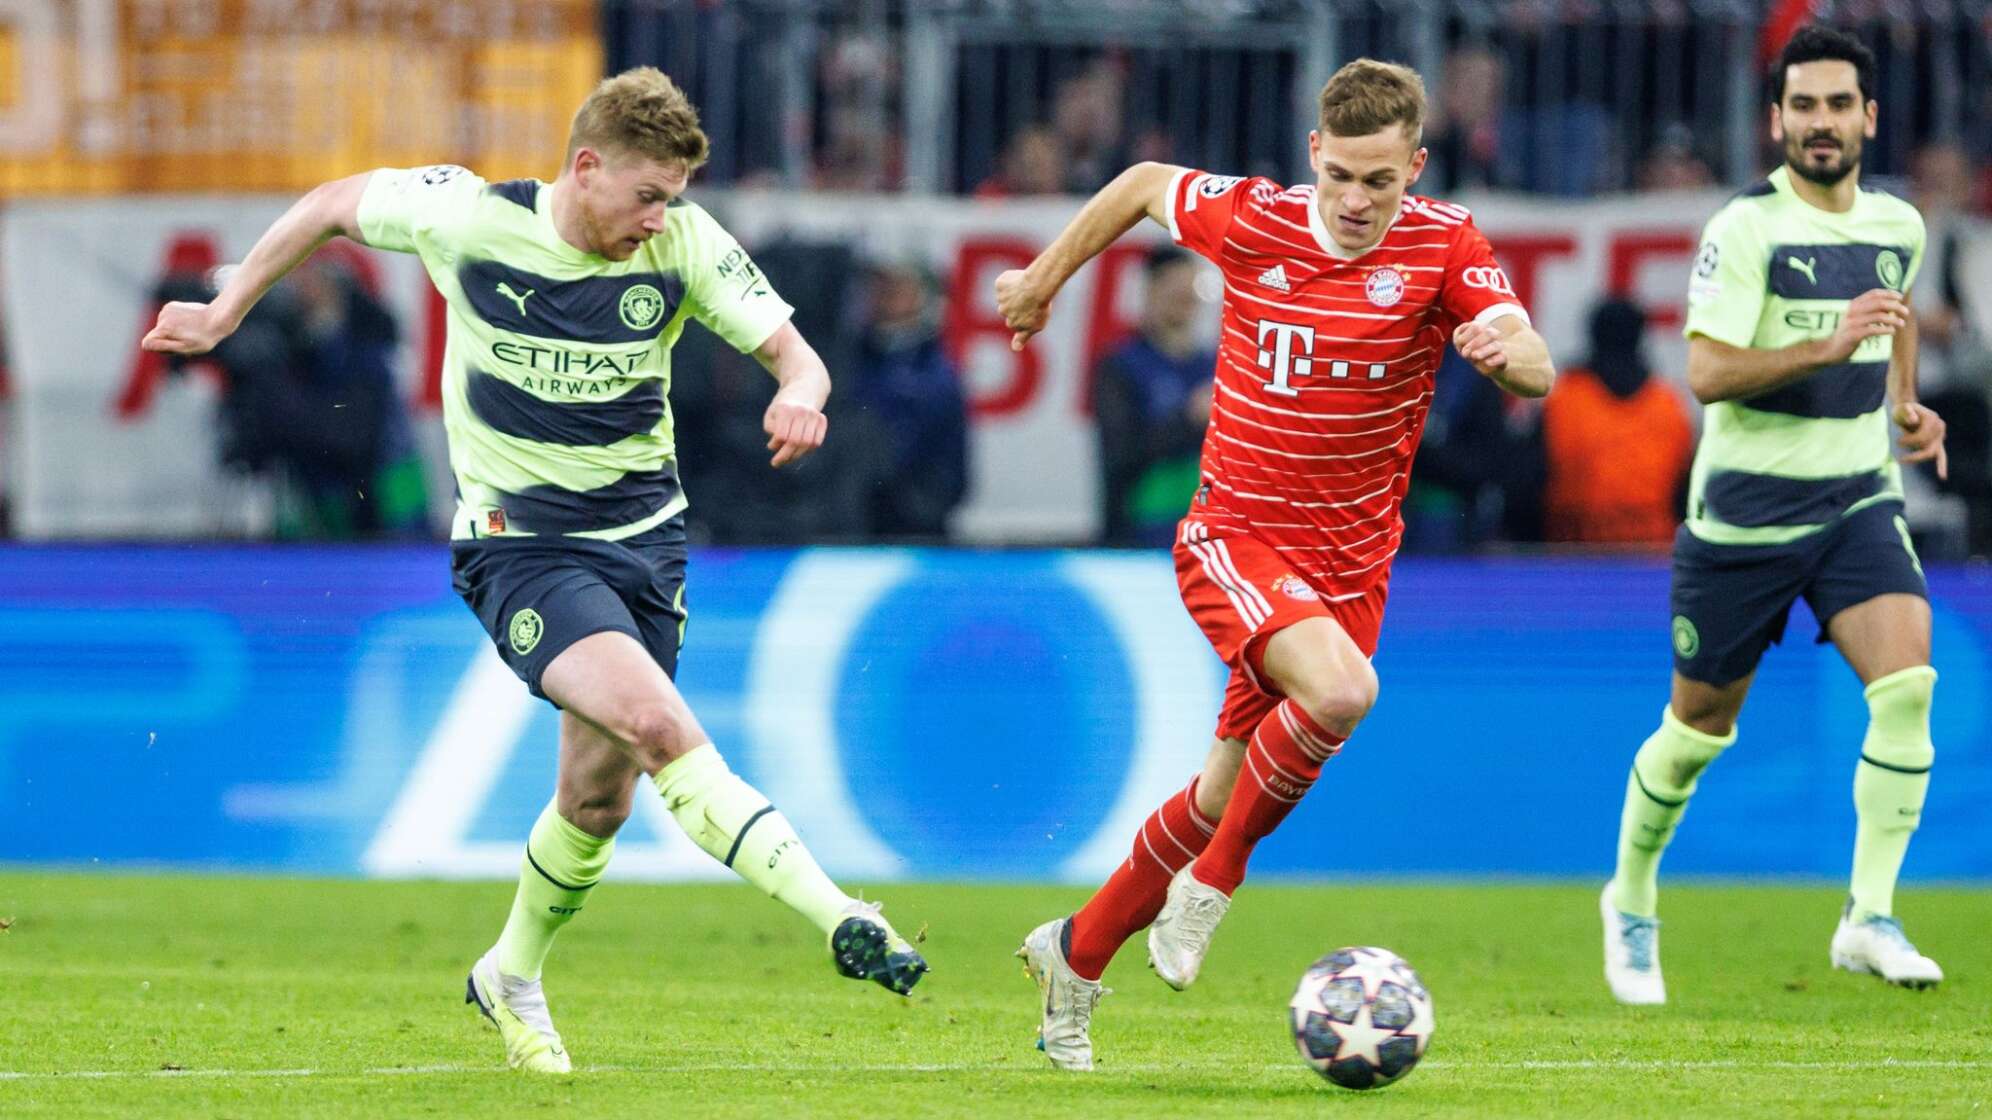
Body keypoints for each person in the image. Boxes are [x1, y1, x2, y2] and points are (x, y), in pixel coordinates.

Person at [141, 67, 928, 1074]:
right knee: (659, 729)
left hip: (646, 545)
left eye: (673, 199)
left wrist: (801, 394)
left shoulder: (685, 245)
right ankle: (841, 916)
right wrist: (227, 309)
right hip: (522, 546)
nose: (659, 219)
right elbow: (334, 203)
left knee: (597, 803)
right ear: (586, 167)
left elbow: (798, 356)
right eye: (647, 196)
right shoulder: (469, 218)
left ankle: (509, 974)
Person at [996, 58, 1555, 1070]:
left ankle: (1073, 954)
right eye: (1339, 174)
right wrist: (1041, 281)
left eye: (1378, 180)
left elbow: (1533, 358)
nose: (1355, 200)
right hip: (1237, 537)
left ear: (1414, 168)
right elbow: (1141, 184)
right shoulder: (1255, 217)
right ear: (1313, 156)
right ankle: (1214, 885)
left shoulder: (1446, 244)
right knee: (1343, 694)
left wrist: (1503, 353)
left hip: (1350, 570)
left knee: (1219, 791)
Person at [1600, 26, 1950, 1006]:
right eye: (1803, 106)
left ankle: (1869, 915)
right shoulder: (1745, 228)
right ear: (1776, 120)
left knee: (1908, 685)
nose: (1820, 122)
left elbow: (1895, 312)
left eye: (1838, 105)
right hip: (1745, 517)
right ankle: (1630, 897)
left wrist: (1905, 404)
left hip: (1856, 498)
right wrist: (1828, 347)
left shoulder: (1899, 224)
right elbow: (1708, 371)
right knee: (1696, 731)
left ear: (1868, 117)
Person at [1541, 298, 1694, 546]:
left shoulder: (1565, 399)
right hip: (1653, 552)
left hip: (1572, 552)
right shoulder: (1668, 403)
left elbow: (1528, 485)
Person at [1093, 245, 1215, 547]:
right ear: (1150, 291)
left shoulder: (1216, 366)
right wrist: (1189, 418)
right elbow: (1120, 454)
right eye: (1174, 293)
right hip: (1140, 534)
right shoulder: (1121, 367)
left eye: (1188, 295)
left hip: (1208, 534)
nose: (1182, 303)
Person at [845, 257, 969, 539]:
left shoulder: (936, 375)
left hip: (916, 530)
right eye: (877, 289)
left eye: (895, 290)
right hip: (854, 527)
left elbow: (944, 472)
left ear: (924, 299)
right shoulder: (852, 360)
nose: (881, 300)